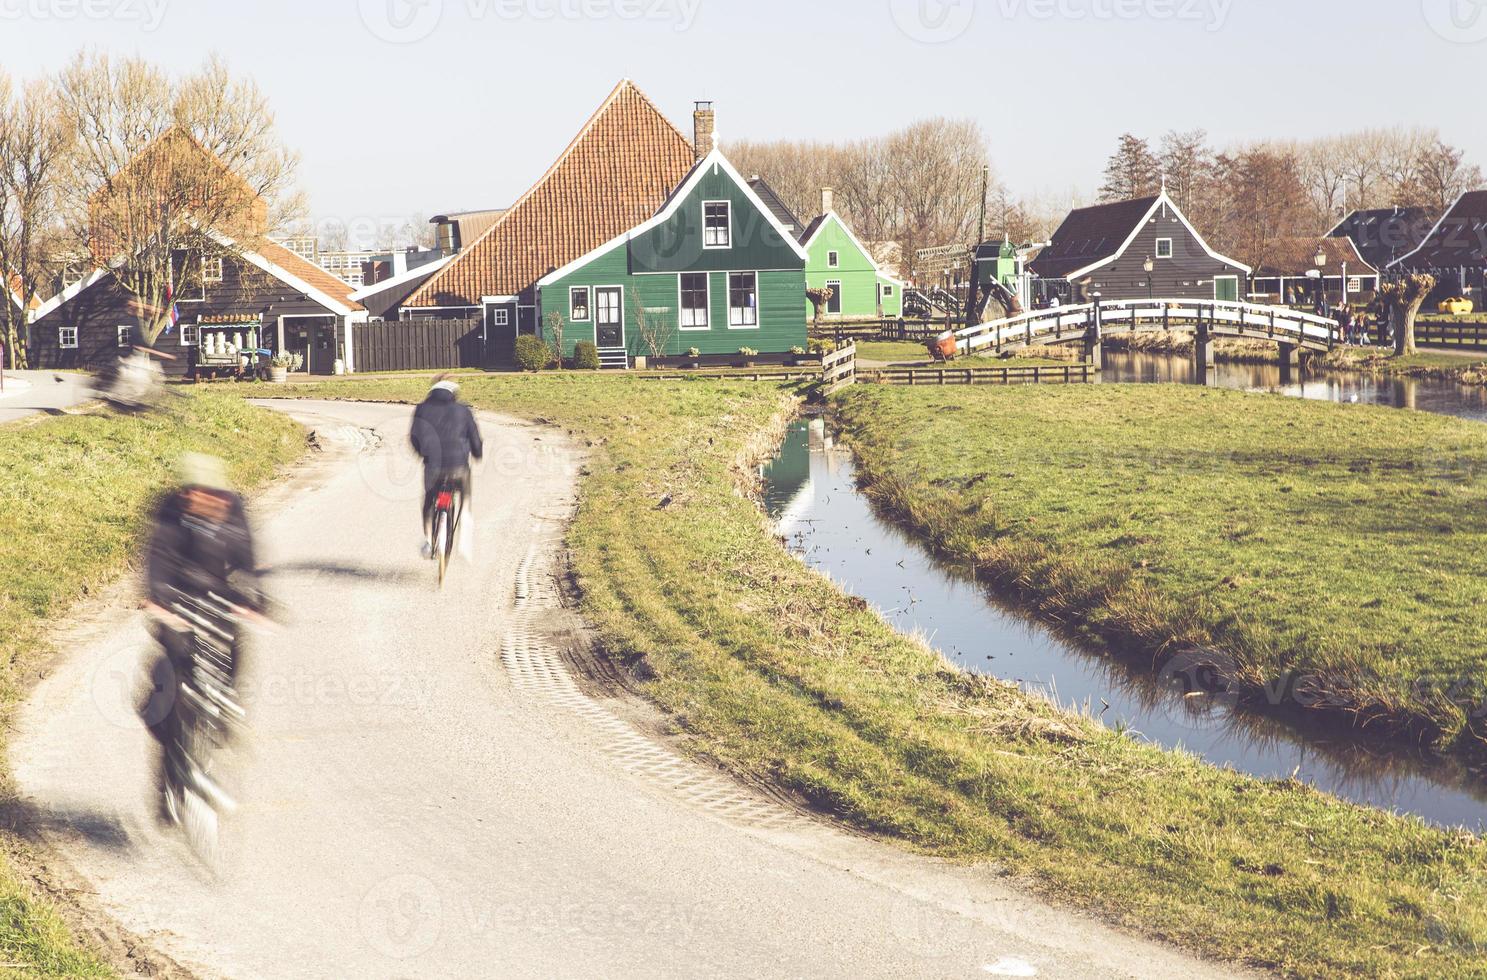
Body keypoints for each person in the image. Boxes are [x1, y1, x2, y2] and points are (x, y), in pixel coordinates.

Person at [141, 453, 263, 821]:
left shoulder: (233, 509)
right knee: (169, 686)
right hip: (175, 599)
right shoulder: (168, 513)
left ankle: (225, 704)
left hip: (217, 597)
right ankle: (166, 782)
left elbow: (246, 559)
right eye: (201, 494)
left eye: (218, 496)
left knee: (236, 646)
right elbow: (156, 561)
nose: (212, 502)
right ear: (186, 493)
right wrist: (158, 603)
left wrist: (254, 600)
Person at [411, 375, 483, 558]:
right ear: (453, 393)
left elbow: (414, 437)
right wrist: (477, 455)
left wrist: (423, 454)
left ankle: (428, 541)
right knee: (465, 500)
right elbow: (475, 438)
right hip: (458, 467)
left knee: (428, 500)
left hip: (433, 467)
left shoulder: (421, 409)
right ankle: (464, 540)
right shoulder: (463, 410)